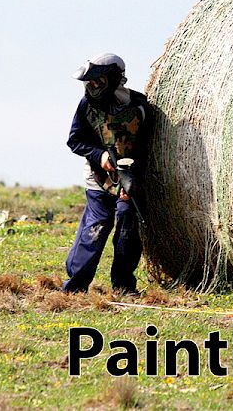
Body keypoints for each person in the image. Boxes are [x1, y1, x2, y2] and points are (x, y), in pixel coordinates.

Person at [62, 52, 152, 294]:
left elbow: (148, 147)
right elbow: (75, 141)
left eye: (97, 82)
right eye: (89, 83)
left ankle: (123, 287)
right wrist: (100, 156)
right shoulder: (86, 105)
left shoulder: (140, 106)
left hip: (128, 181)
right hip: (97, 181)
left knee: (127, 229)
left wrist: (132, 182)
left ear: (113, 79)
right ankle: (75, 288)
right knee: (96, 228)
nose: (92, 88)